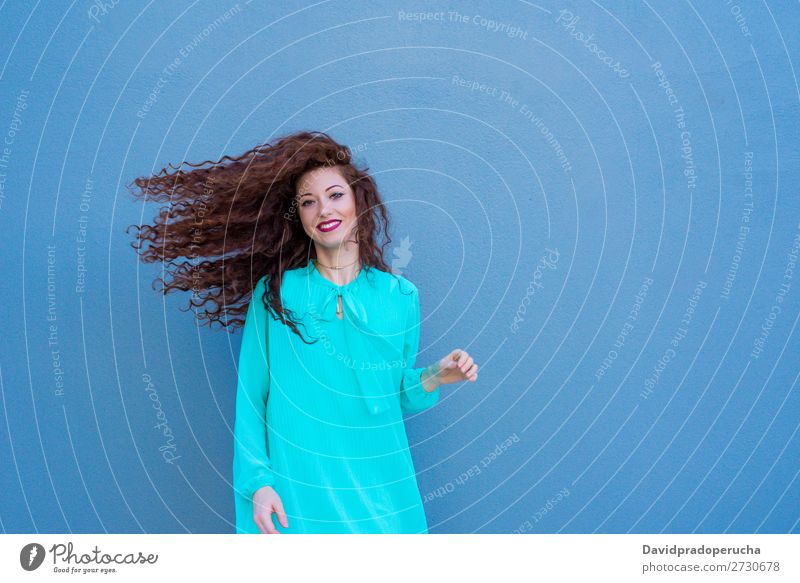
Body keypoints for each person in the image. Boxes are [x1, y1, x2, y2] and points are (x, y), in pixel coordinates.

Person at [127, 131, 478, 534]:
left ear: (358, 201)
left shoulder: (400, 297)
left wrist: (437, 375)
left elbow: (396, 393)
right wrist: (258, 482)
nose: (323, 209)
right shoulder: (277, 294)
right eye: (308, 202)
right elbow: (252, 397)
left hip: (382, 497)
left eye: (335, 195)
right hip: (297, 496)